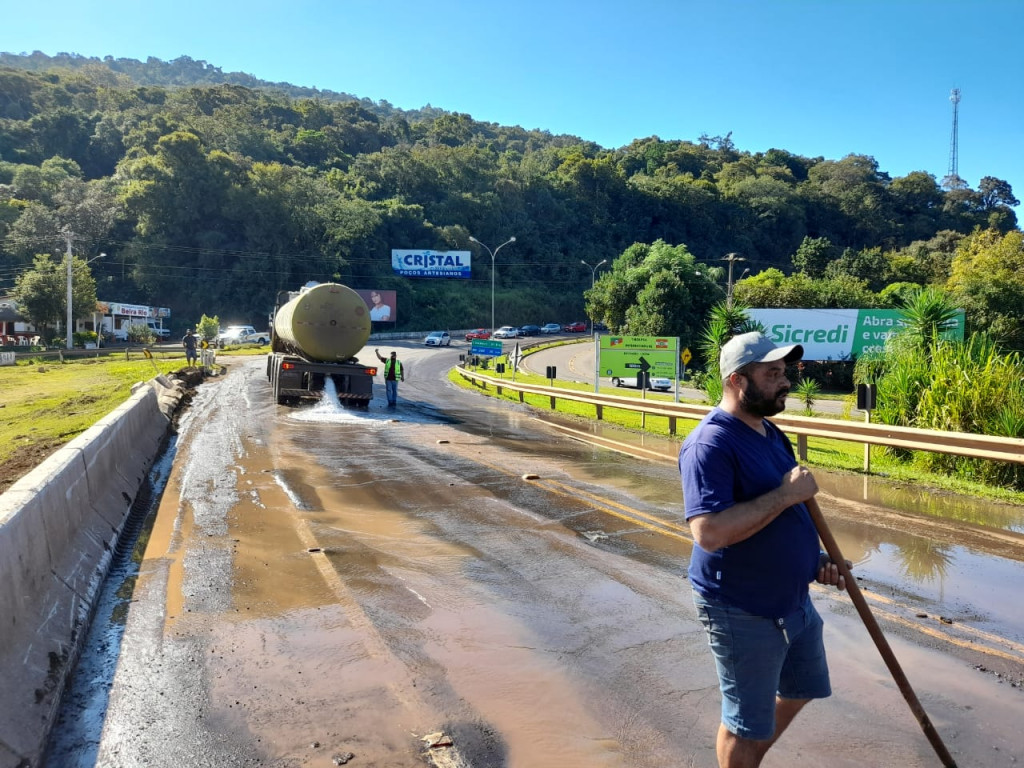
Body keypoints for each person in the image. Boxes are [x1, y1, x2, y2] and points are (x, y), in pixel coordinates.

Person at [679, 331, 849, 768]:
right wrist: (784, 497)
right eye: (772, 373)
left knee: (803, 686)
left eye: (784, 371)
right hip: (742, 606)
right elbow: (710, 533)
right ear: (737, 380)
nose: (785, 381)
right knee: (744, 723)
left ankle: (747, 759)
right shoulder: (709, 444)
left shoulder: (770, 432)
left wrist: (815, 561)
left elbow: (781, 515)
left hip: (793, 600)